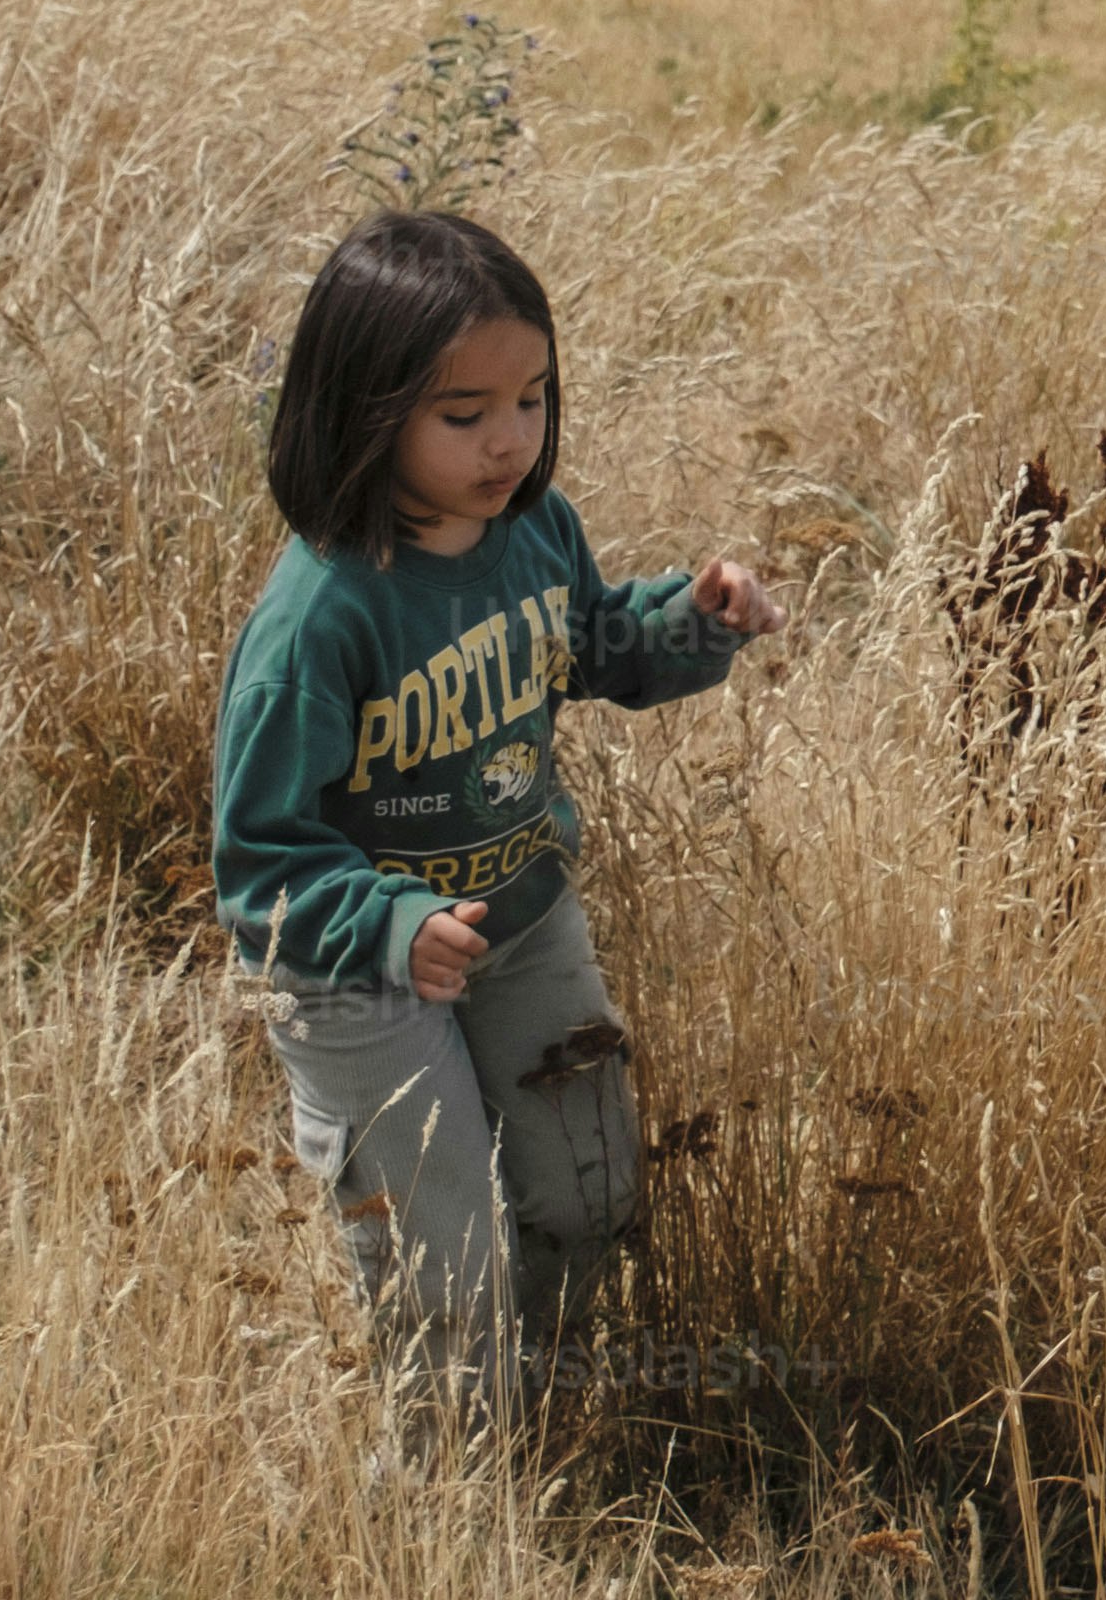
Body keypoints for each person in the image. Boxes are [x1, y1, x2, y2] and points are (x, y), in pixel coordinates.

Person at [213, 209, 785, 1428]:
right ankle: (444, 1501)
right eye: (462, 413)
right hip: (357, 973)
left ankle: (553, 1430)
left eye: (529, 397)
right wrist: (388, 920)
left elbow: (592, 642)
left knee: (588, 1190)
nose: (508, 439)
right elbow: (258, 857)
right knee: (444, 1257)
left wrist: (693, 617)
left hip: (523, 920)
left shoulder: (534, 529)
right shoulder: (323, 613)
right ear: (363, 410)